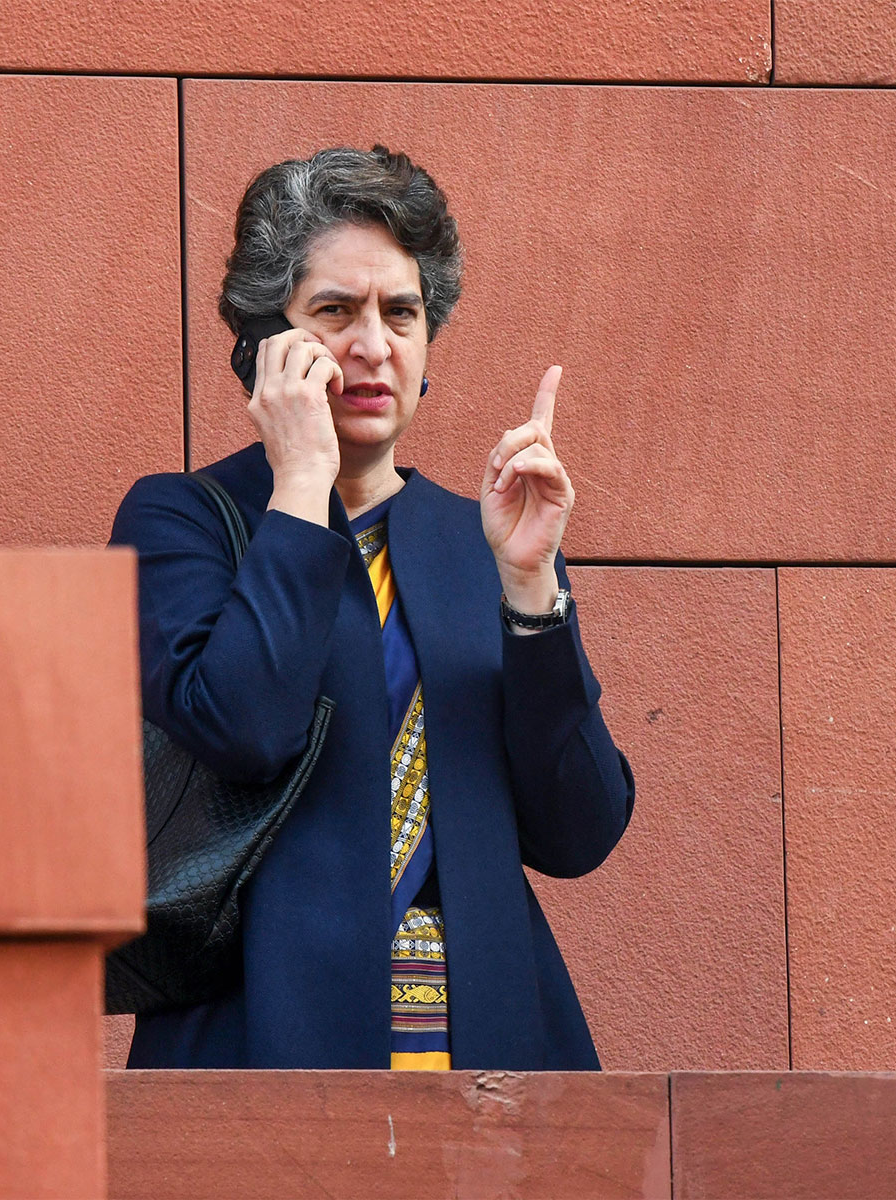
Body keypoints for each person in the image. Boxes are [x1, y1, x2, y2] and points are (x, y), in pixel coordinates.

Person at [111, 145, 634, 1070]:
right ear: (262, 341)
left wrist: (530, 590)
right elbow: (242, 726)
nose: (371, 344)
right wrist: (304, 480)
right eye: (333, 311)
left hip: (490, 1054)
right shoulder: (183, 519)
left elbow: (580, 830)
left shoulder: (482, 536)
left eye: (401, 312)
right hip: (261, 1043)